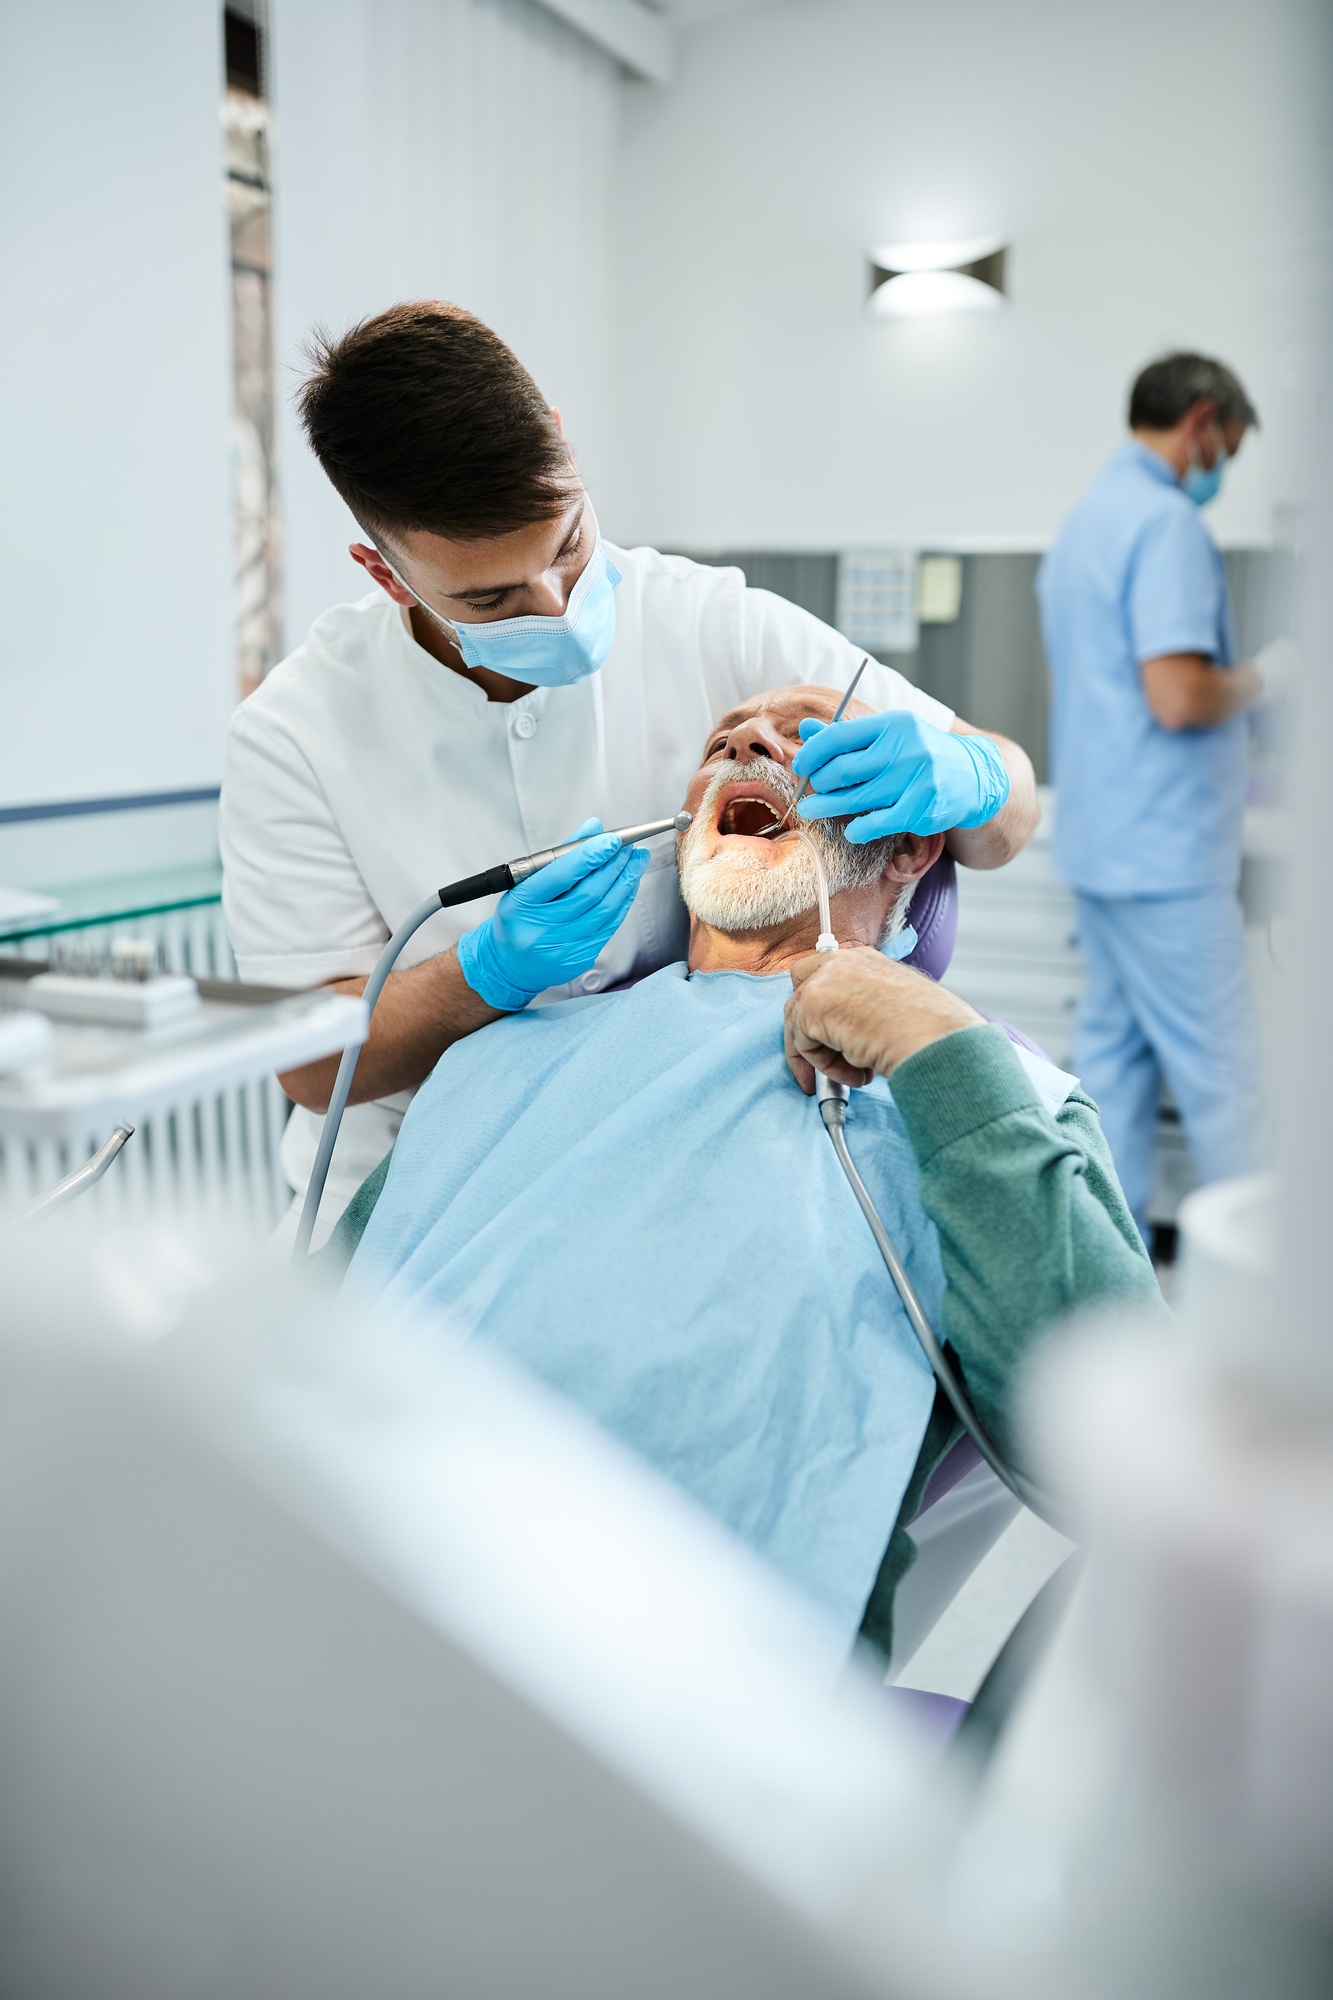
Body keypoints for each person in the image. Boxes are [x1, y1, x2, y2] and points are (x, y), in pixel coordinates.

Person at [340, 686, 1161, 1658]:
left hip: (652, 1680)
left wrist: (935, 1041)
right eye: (722, 740)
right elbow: (312, 1319)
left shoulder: (972, 1092)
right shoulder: (499, 1054)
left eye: (806, 733)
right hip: (349, 1570)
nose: (747, 742)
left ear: (908, 846)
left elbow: (1128, 1463)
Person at [220, 301, 1038, 1234]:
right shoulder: (291, 734)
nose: (559, 604)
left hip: (688, 1167)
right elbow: (311, 1062)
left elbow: (1010, 807)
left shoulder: (714, 621)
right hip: (419, 1187)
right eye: (493, 597)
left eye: (569, 544)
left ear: (562, 447)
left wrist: (970, 771)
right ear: (385, 574)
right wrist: (481, 974)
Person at [1037, 351, 1284, 1241]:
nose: (1222, 465)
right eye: (1228, 445)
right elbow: (1177, 696)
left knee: (1112, 1074)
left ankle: (1109, 1289)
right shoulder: (1166, 524)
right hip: (1165, 858)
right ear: (1203, 421)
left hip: (1103, 844)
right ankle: (1274, 1313)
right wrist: (1264, 677)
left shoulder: (1086, 521)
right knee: (1225, 1083)